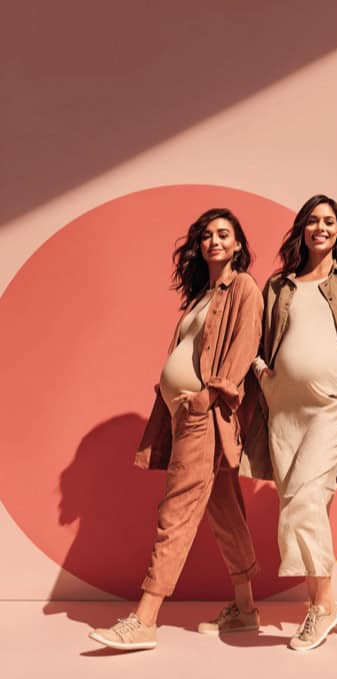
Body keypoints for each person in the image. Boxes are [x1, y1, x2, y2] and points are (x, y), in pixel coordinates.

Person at [89, 208, 263, 650]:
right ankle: (245, 611)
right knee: (224, 513)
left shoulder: (242, 287)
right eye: (206, 235)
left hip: (206, 413)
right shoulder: (201, 297)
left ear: (239, 244)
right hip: (183, 415)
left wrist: (211, 395)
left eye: (224, 234)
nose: (214, 241)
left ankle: (144, 619)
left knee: (176, 513)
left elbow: (244, 345)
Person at [243, 194, 337, 652]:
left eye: (329, 222)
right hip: (284, 408)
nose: (320, 227)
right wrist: (263, 375)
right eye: (313, 221)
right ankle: (322, 606)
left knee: (303, 498)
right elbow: (258, 339)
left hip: (334, 404)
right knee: (302, 501)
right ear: (302, 229)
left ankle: (322, 607)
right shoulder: (279, 285)